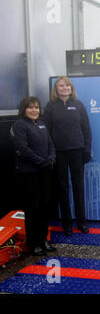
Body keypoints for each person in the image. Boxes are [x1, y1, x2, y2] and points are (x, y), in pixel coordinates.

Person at [43, 76, 92, 236]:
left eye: (67, 85)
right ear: (56, 90)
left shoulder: (78, 105)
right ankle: (67, 224)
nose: (64, 88)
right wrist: (50, 153)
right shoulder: (50, 107)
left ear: (71, 88)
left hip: (77, 151)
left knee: (79, 187)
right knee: (62, 188)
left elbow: (86, 129)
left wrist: (87, 149)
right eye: (61, 86)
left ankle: (82, 222)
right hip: (59, 153)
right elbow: (47, 133)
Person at [10, 96, 57, 256]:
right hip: (28, 174)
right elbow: (22, 149)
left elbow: (51, 144)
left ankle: (44, 240)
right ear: (24, 109)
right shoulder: (19, 125)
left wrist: (51, 159)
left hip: (44, 172)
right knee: (32, 209)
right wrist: (40, 162)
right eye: (30, 107)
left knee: (45, 207)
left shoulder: (42, 124)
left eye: (36, 107)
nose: (34, 110)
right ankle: (33, 243)